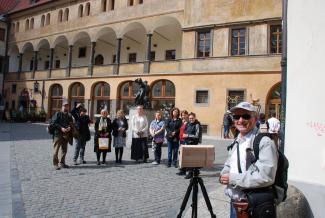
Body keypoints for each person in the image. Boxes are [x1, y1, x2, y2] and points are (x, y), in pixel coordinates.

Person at [219, 102, 278, 218]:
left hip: (254, 205)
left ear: (255, 118)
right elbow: (230, 163)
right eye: (236, 117)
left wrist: (232, 178)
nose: (240, 120)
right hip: (235, 202)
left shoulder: (264, 142)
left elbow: (266, 176)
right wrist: (224, 174)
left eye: (245, 116)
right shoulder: (237, 139)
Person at [50, 100, 73, 170]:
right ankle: (55, 164)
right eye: (65, 106)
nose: (66, 107)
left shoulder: (69, 115)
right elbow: (53, 123)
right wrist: (61, 128)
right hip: (58, 134)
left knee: (64, 149)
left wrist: (69, 127)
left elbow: (71, 123)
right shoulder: (58, 114)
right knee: (56, 150)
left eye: (67, 106)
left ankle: (62, 163)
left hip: (66, 134)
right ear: (62, 107)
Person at [183, 112, 201, 179]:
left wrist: (187, 135)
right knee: (189, 158)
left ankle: (190, 173)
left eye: (192, 118)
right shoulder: (188, 123)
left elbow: (197, 135)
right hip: (187, 143)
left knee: (191, 159)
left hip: (193, 143)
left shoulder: (197, 125)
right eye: (190, 118)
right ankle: (195, 171)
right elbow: (185, 131)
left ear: (195, 118)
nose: (191, 119)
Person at [176, 110, 189, 176]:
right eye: (182, 115)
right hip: (181, 140)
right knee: (181, 154)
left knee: (184, 155)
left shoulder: (188, 122)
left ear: (187, 115)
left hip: (185, 141)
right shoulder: (182, 122)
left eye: (184, 115)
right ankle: (183, 169)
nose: (183, 116)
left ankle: (184, 169)